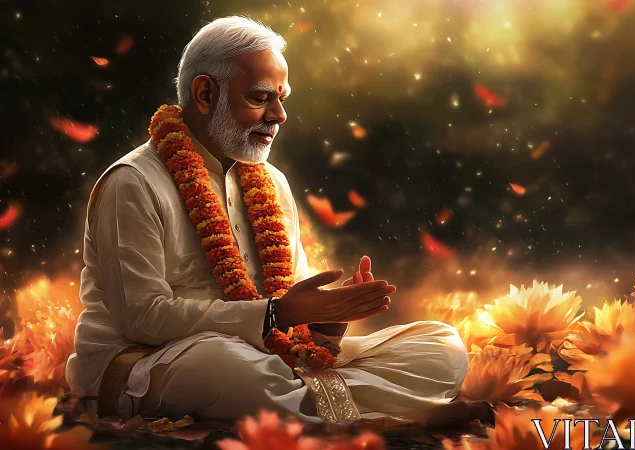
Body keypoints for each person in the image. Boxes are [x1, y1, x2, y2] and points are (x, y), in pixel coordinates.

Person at [65, 16, 468, 423]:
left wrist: (328, 318)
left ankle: (320, 405)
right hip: (152, 360)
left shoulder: (271, 182)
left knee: (442, 346)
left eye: (281, 99)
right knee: (228, 366)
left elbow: (293, 308)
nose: (279, 115)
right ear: (205, 94)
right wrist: (275, 314)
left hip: (269, 356)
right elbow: (143, 317)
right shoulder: (133, 182)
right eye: (260, 98)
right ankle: (382, 415)